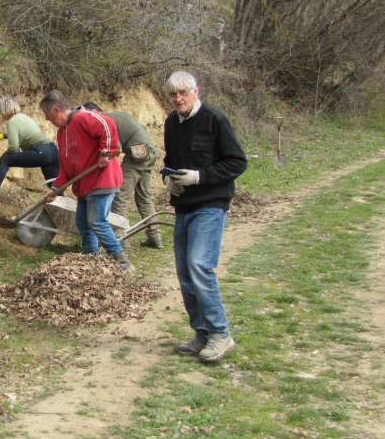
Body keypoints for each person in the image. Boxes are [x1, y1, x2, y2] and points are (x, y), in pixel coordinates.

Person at [163, 71, 247, 363]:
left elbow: (237, 162)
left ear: (196, 91)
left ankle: (221, 334)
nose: (178, 99)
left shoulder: (215, 120)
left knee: (199, 265)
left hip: (211, 204)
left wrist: (199, 177)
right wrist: (169, 179)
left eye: (183, 92)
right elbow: (169, 163)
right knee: (185, 273)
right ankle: (202, 333)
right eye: (173, 94)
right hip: (184, 207)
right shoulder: (171, 122)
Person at [39, 90, 135, 274]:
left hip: (102, 178)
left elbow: (108, 124)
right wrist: (55, 188)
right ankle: (91, 258)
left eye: (47, 115)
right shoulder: (62, 133)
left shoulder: (82, 117)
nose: (46, 120)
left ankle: (122, 262)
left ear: (57, 110)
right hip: (84, 184)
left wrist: (106, 152)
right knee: (83, 222)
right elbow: (66, 168)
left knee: (96, 220)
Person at [82, 102, 163, 249]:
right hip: (149, 152)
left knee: (119, 196)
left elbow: (115, 149)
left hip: (137, 156)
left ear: (95, 111)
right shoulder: (117, 115)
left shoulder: (107, 121)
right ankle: (155, 238)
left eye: (89, 115)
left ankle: (121, 241)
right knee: (144, 198)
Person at [0, 96, 60, 202]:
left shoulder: (12, 121)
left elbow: (14, 149)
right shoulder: (24, 117)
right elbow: (21, 134)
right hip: (53, 151)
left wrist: (6, 154)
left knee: (5, 160)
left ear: (4, 110)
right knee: (56, 192)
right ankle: (62, 207)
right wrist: (0, 136)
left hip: (41, 152)